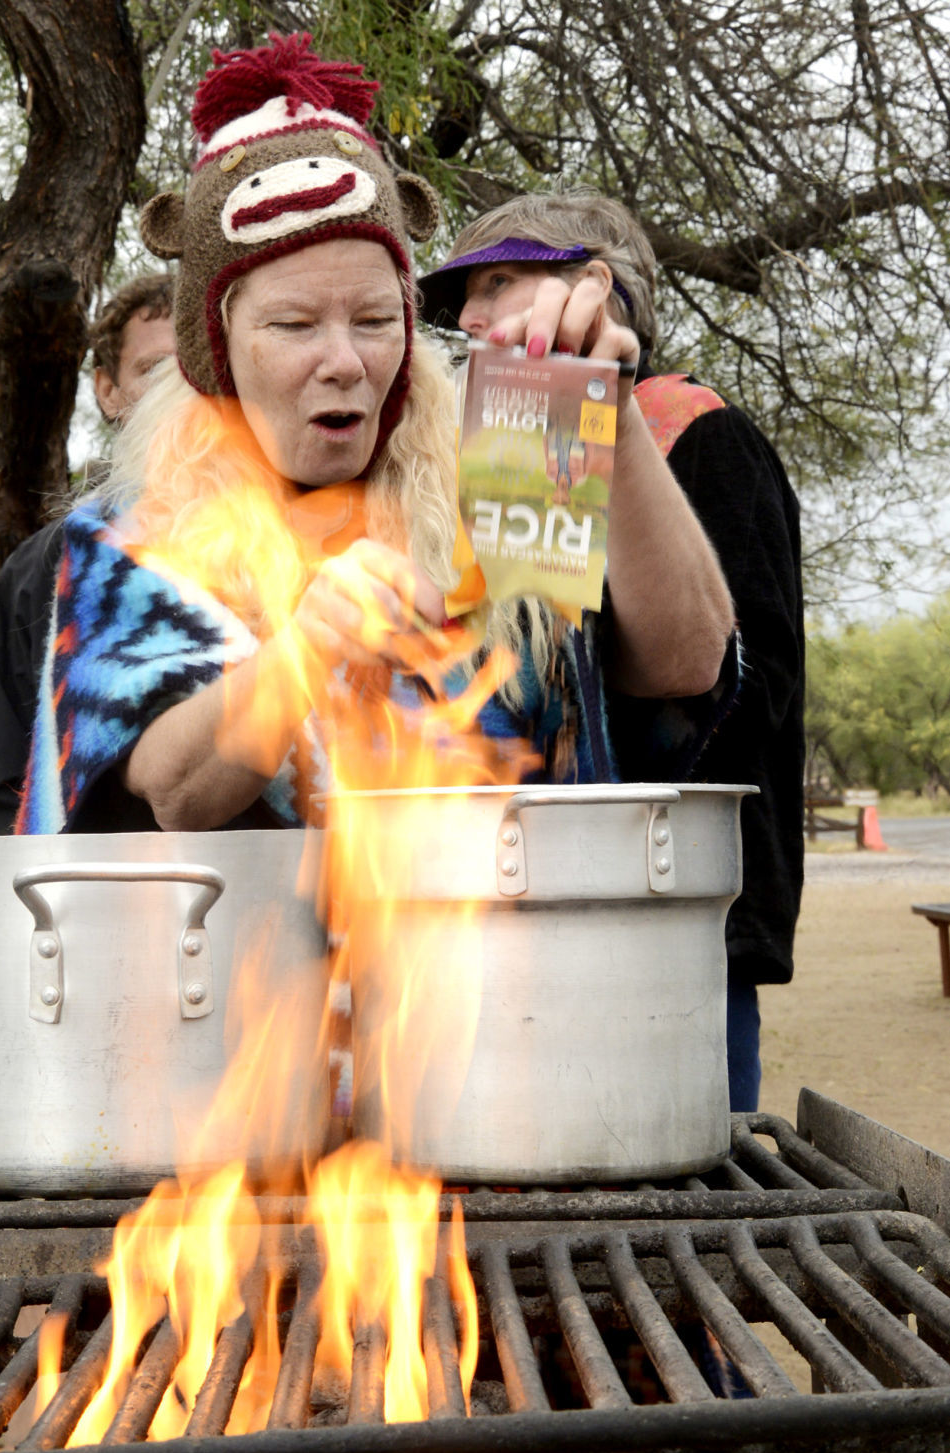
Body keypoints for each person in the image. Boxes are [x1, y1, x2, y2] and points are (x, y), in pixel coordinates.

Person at [15, 36, 734, 842]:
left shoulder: (507, 461)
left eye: (374, 320)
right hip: (256, 961)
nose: (345, 362)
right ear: (215, 350)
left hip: (514, 954)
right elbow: (175, 790)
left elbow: (686, 663)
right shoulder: (134, 538)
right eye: (292, 325)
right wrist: (306, 649)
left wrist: (611, 413)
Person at [418, 187, 804, 1110]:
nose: (467, 315)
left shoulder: (691, 426)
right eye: (461, 297)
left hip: (678, 914)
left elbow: (733, 689)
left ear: (596, 288)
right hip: (527, 917)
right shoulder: (517, 437)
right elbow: (528, 681)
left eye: (500, 282)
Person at [0, 274, 178, 835]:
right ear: (107, 391)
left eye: (195, 368)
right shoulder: (40, 570)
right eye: (155, 372)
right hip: (85, 908)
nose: (179, 394)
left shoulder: (288, 545)